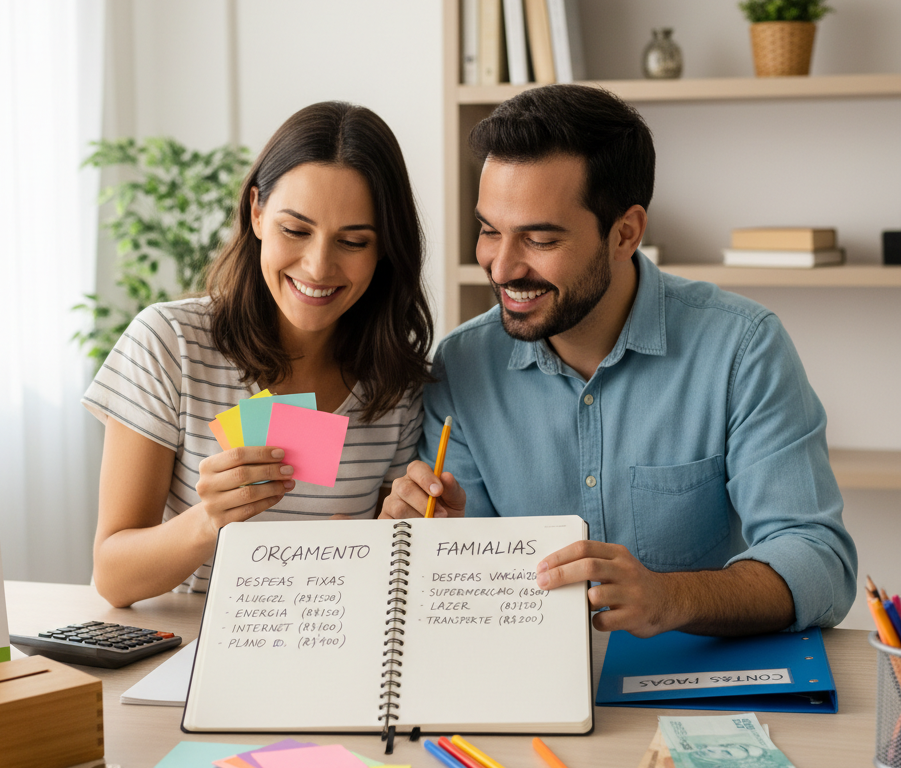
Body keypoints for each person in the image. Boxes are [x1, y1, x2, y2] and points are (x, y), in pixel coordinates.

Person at [381, 84, 856, 638]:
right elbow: (469, 594)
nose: (502, 266)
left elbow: (820, 560)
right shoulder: (461, 366)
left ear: (625, 233)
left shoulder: (742, 348)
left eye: (538, 239)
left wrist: (671, 597)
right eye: (490, 231)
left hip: (694, 684)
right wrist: (439, 539)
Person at [84, 101, 434, 607]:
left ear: (384, 250)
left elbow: (386, 574)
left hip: (329, 650)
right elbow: (113, 576)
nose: (318, 267)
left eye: (353, 241)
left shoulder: (394, 383)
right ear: (257, 212)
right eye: (295, 230)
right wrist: (209, 520)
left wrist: (400, 539)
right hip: (192, 654)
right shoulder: (169, 343)